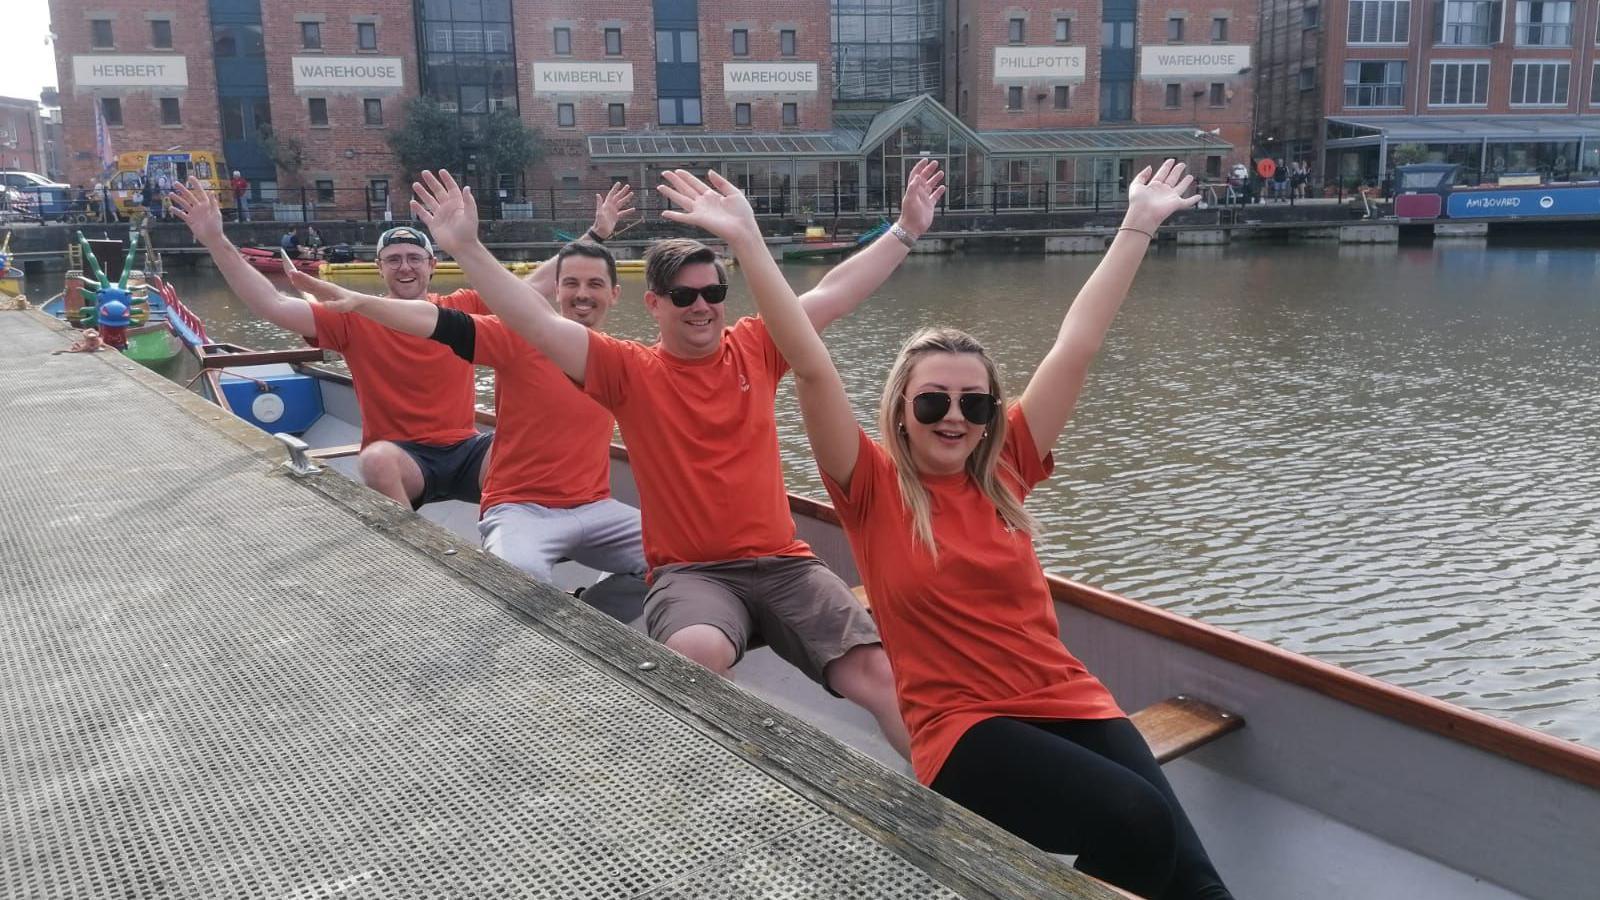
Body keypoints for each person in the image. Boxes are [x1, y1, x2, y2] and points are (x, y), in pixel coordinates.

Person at [658, 161, 1232, 899]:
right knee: (1136, 822)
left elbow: (1077, 344)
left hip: (1067, 700)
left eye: (974, 404)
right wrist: (747, 243)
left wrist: (1139, 224)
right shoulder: (870, 485)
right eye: (932, 404)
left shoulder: (1009, 465)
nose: (955, 418)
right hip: (962, 732)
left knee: (1201, 884)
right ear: (901, 409)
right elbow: (807, 363)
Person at [401, 163, 949, 759]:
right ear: (654, 304)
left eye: (713, 293)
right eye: (685, 296)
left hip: (785, 565)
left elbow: (834, 294)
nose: (702, 307)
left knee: (883, 676)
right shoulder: (628, 370)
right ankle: (738, 781)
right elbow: (531, 318)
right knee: (696, 657)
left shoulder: (757, 347)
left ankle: (959, 835)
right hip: (693, 574)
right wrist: (467, 247)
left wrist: (904, 229)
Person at [170, 176, 636, 510]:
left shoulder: (462, 306)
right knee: (374, 462)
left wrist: (595, 235)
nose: (405, 267)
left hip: (467, 449)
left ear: (432, 265)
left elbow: (535, 285)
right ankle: (418, 556)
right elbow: (271, 304)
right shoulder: (354, 315)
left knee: (528, 443)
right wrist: (215, 239)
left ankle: (519, 532)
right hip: (404, 458)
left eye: (415, 257)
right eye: (393, 259)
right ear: (380, 268)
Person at [286, 238, 648, 592]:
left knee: (684, 556)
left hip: (595, 506)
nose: (582, 294)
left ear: (614, 294)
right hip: (520, 509)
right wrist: (361, 303)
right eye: (571, 283)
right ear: (555, 292)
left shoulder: (624, 359)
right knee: (518, 579)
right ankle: (417, 563)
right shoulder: (516, 337)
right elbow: (438, 320)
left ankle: (590, 611)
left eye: (594, 284)